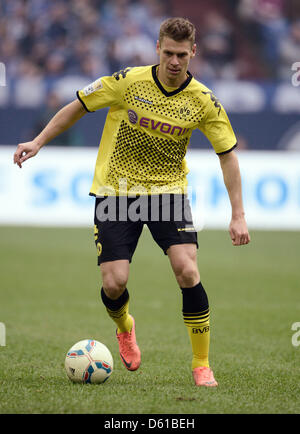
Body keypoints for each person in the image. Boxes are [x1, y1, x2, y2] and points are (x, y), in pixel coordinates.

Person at [13, 17, 250, 387]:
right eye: (169, 53)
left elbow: (228, 155)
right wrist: (38, 141)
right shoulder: (128, 82)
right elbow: (79, 104)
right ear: (157, 48)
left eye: (182, 55)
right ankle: (125, 327)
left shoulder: (204, 101)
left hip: (167, 192)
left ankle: (202, 365)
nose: (174, 62)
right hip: (116, 191)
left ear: (193, 53)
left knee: (187, 270)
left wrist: (238, 215)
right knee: (114, 284)